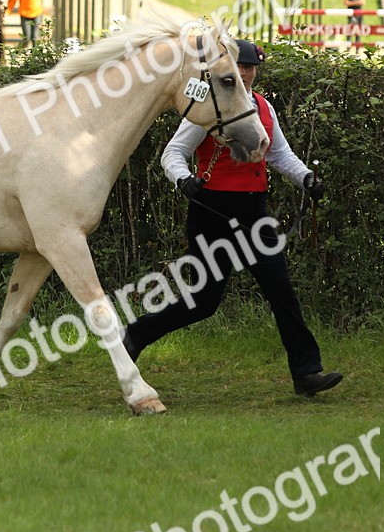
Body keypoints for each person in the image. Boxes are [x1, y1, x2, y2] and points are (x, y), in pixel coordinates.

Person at [122, 39, 343, 398]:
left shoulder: (263, 108)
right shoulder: (212, 106)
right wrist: (183, 180)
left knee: (282, 292)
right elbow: (174, 152)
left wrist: (306, 178)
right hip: (212, 213)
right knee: (203, 303)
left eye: (250, 66)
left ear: (256, 71)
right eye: (238, 66)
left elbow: (279, 155)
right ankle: (136, 335)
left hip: (255, 214)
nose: (244, 72)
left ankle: (307, 374)